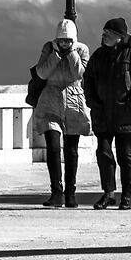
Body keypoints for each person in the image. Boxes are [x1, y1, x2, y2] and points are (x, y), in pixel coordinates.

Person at [85, 15, 131, 211]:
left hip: (128, 117)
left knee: (127, 157)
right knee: (104, 154)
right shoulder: (98, 55)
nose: (103, 36)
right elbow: (88, 80)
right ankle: (108, 194)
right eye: (103, 33)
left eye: (107, 33)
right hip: (103, 115)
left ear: (118, 36)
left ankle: (127, 195)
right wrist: (93, 103)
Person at [31, 17, 92, 207]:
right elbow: (42, 73)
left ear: (74, 40)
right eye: (61, 40)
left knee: (71, 150)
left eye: (68, 41)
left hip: (74, 101)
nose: (64, 43)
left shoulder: (82, 50)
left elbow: (79, 74)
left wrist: (72, 52)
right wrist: (56, 55)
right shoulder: (49, 49)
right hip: (50, 100)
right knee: (54, 147)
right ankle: (56, 192)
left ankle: (70, 193)